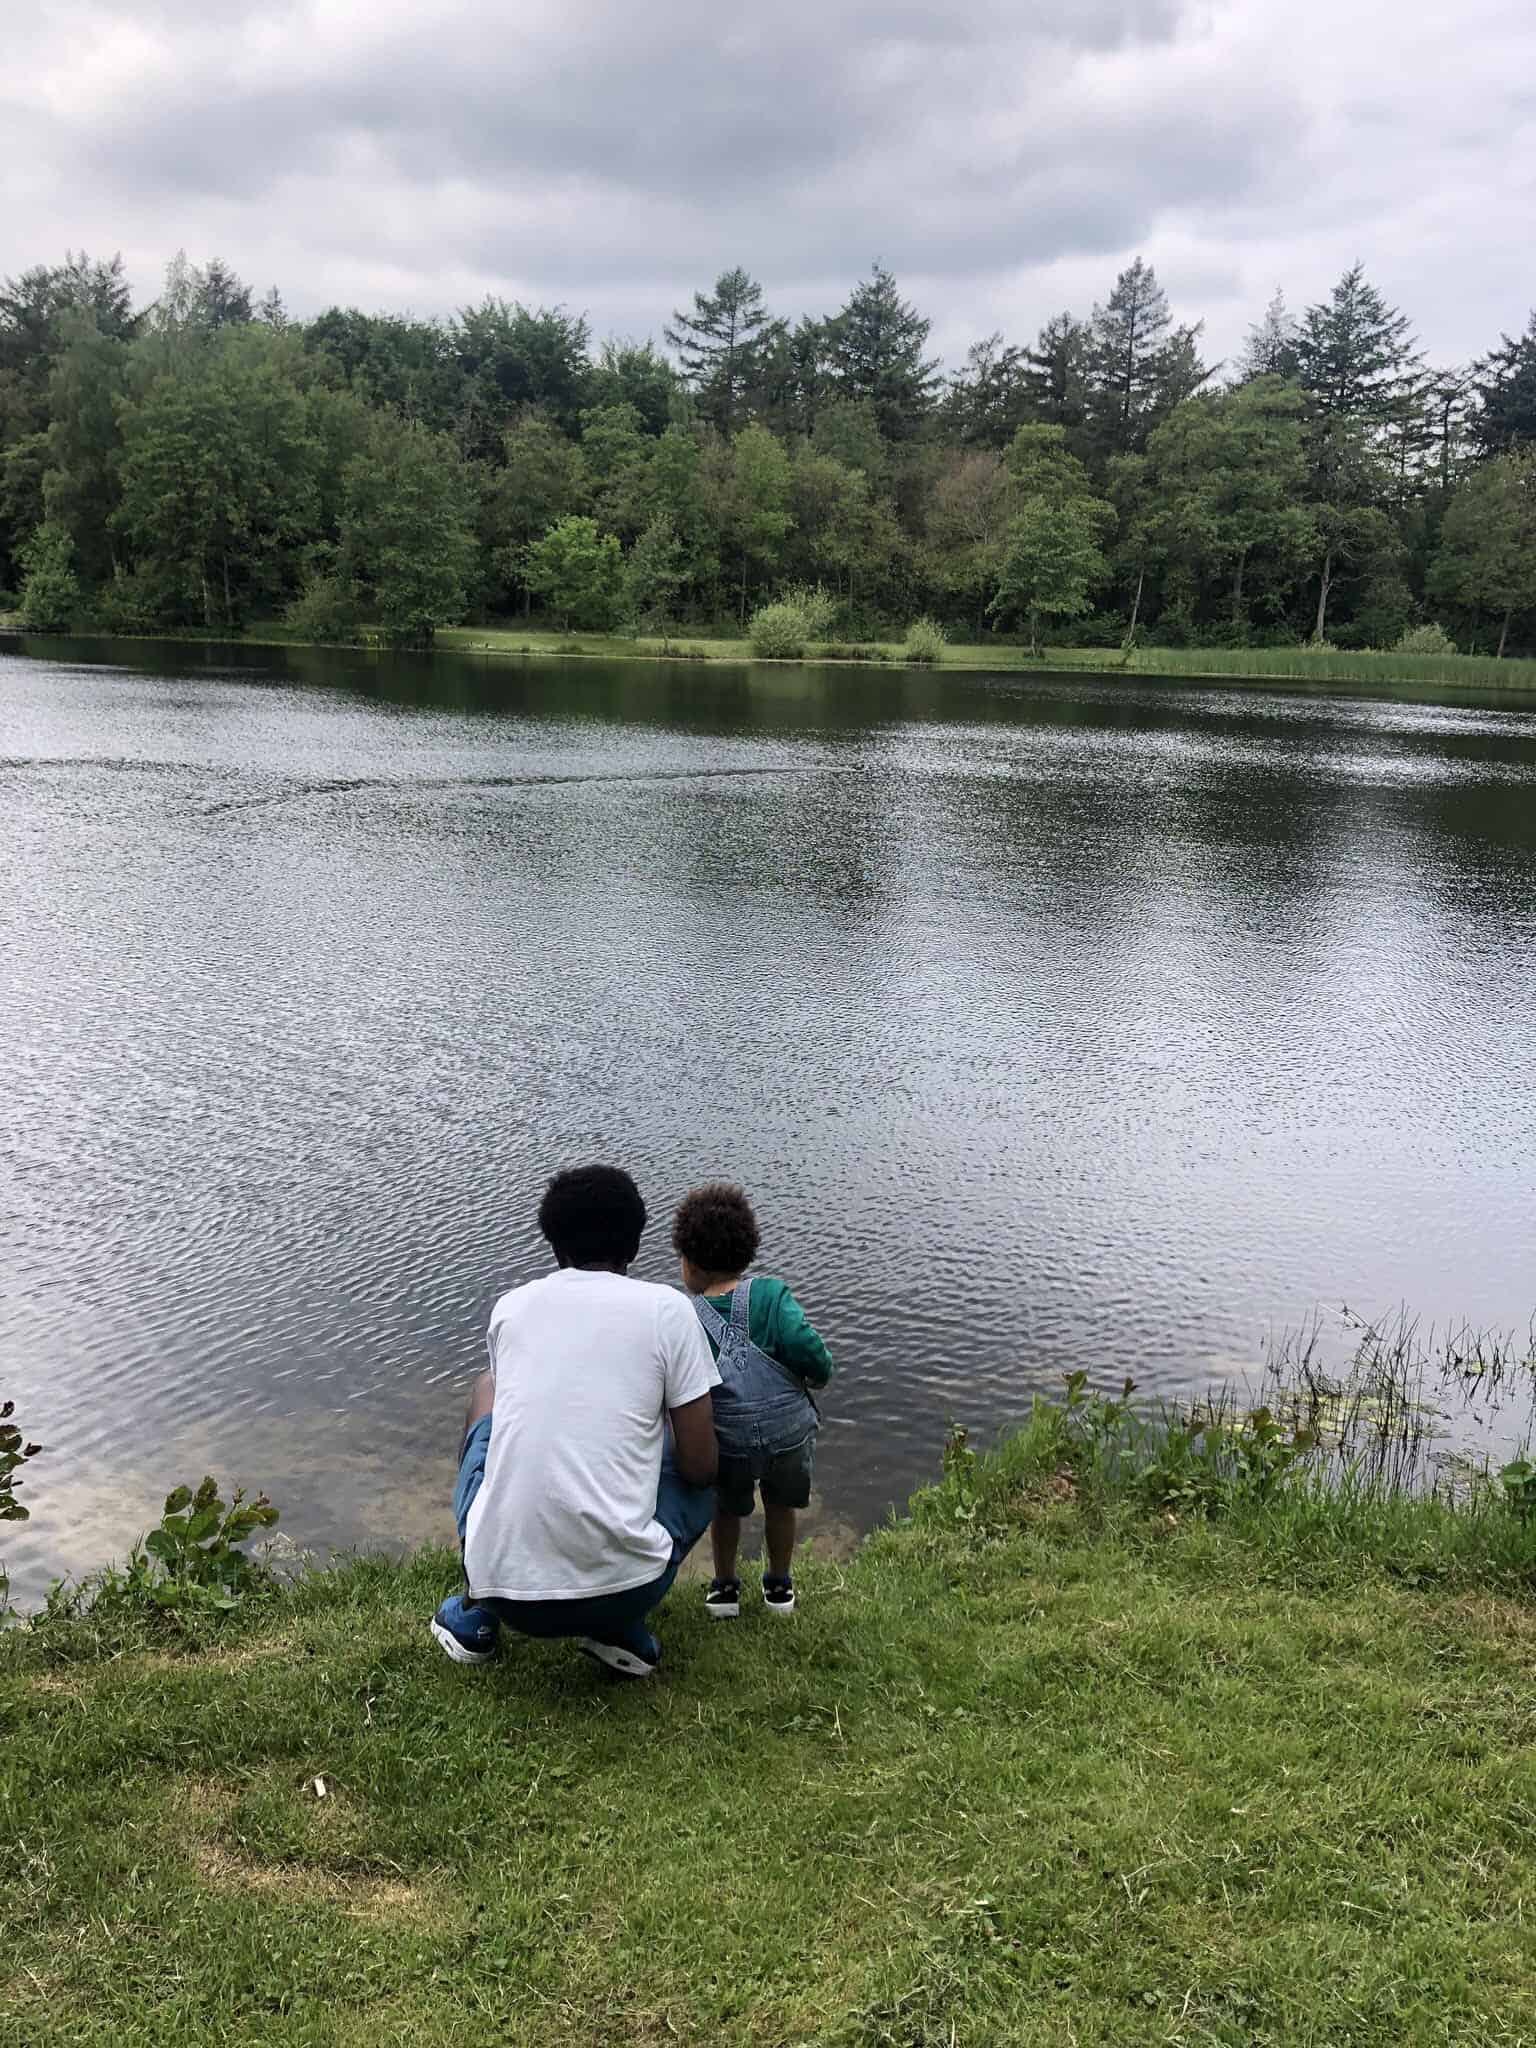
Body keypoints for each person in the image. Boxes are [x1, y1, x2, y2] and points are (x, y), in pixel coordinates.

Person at [431, 1164, 719, 1680]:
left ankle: (475, 1616)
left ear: (554, 1246)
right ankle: (618, 1627)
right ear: (634, 1245)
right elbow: (700, 1467)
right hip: (629, 1588)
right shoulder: (669, 1311)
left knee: (487, 1390)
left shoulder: (512, 1308)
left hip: (500, 1588)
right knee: (705, 1463)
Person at [672, 1182, 834, 1620]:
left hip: (728, 1441)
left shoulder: (684, 1317)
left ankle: (725, 1587)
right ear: (746, 1251)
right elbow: (811, 1352)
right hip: (788, 1434)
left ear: (690, 1264)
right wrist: (818, 1377)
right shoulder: (772, 1296)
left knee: (726, 1510)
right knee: (781, 1506)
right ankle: (779, 1585)